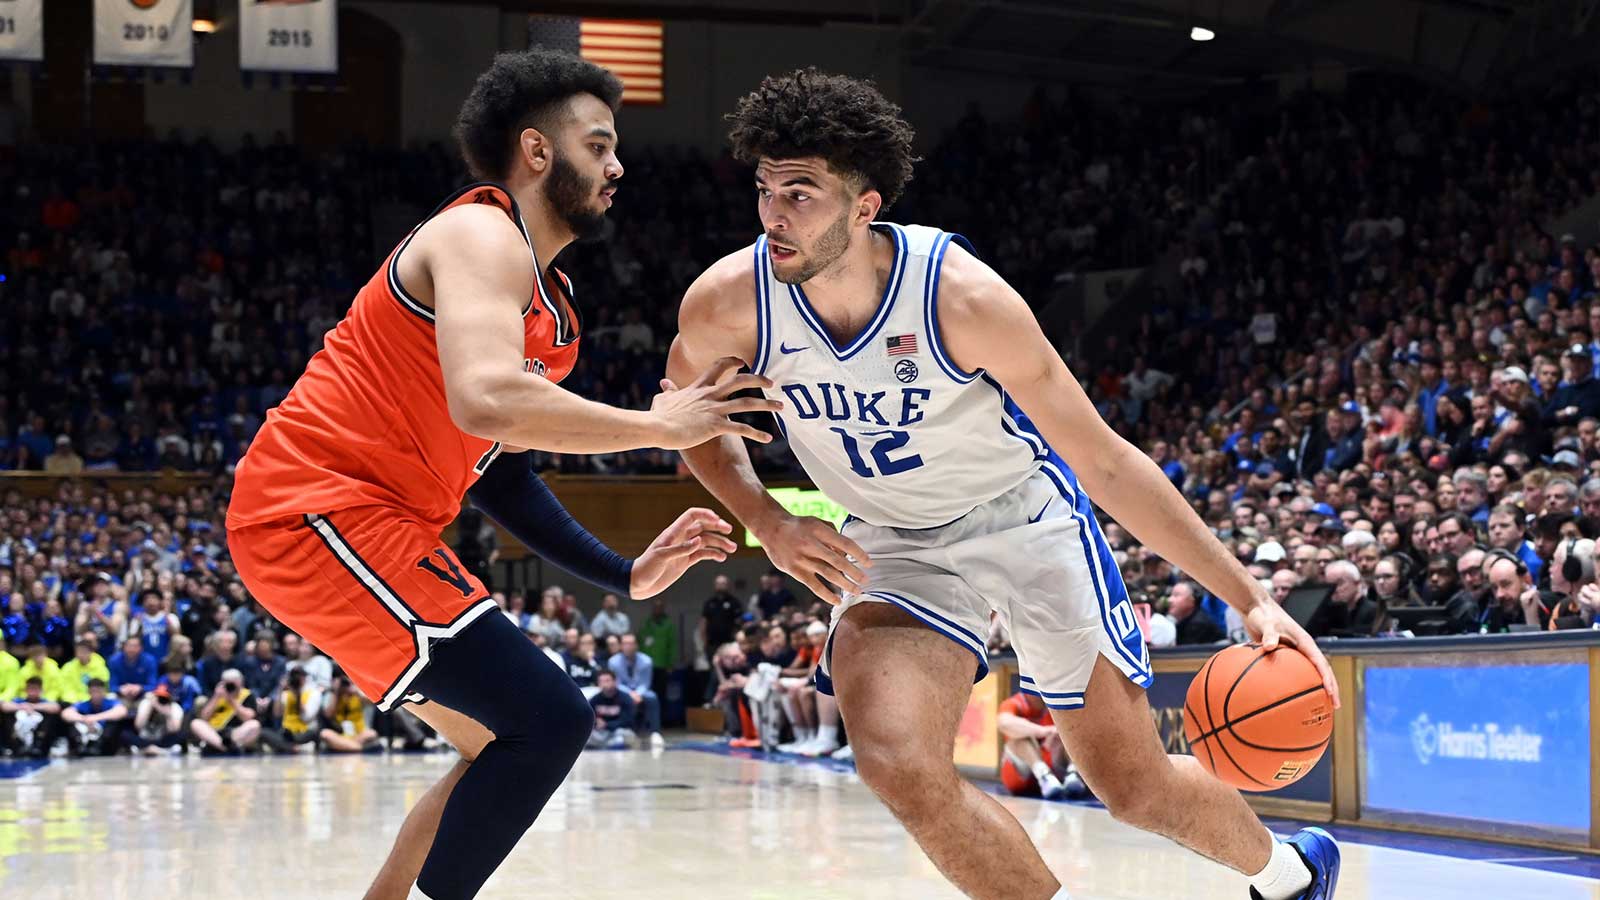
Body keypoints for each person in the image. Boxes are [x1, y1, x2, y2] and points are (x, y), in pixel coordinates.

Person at [668, 70, 1339, 900]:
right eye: (766, 189)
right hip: (888, 538)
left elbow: (1103, 461)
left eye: (800, 192)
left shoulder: (961, 298)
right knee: (895, 762)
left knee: (1131, 787)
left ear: (865, 205)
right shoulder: (728, 303)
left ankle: (1290, 872)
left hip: (1020, 519)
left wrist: (1249, 597)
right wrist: (766, 519)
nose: (773, 213)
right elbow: (683, 420)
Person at [221, 50, 776, 900]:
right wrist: (657, 427)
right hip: (315, 509)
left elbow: (501, 474)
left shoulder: (552, 312)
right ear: (537, 151)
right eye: (599, 145)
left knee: (502, 740)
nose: (618, 164)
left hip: (372, 523)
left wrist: (624, 572)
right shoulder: (479, 234)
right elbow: (486, 400)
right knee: (549, 717)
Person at [997, 689, 1086, 801]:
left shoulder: (1056, 702)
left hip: (1055, 766)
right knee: (1018, 740)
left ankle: (1073, 774)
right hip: (1022, 771)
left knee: (1069, 735)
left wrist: (1056, 733)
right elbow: (1004, 723)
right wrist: (1042, 731)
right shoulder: (1014, 703)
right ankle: (1044, 776)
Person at [607, 633, 663, 748]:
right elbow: (616, 683)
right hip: (622, 690)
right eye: (625, 643)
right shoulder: (613, 661)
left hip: (640, 690)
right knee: (617, 696)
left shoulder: (646, 661)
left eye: (631, 643)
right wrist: (630, 694)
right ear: (621, 646)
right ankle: (622, 731)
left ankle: (655, 732)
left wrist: (637, 693)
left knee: (652, 697)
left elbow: (645, 683)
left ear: (636, 646)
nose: (628, 646)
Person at [190, 668, 261, 755]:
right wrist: (216, 697)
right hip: (214, 732)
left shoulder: (247, 695)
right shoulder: (218, 694)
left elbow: (249, 717)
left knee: (254, 725)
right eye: (227, 683)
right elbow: (204, 717)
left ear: (241, 682)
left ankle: (220, 746)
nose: (230, 686)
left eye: (233, 683)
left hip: (234, 733)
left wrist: (231, 701)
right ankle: (224, 747)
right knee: (196, 723)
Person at [60, 678, 127, 756]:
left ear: (104, 691)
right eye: (93, 692)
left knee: (113, 725)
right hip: (87, 733)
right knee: (72, 725)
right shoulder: (84, 704)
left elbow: (122, 711)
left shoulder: (111, 703)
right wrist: (84, 719)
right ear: (88, 692)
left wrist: (96, 717)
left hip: (105, 740)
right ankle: (79, 747)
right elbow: (66, 713)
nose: (96, 695)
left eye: (98, 692)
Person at [320, 676, 381, 753]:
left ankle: (345, 747)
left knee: (371, 734)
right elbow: (328, 714)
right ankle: (358, 748)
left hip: (359, 734)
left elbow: (371, 701)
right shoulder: (333, 696)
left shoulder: (357, 695)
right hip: (340, 735)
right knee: (325, 734)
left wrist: (355, 690)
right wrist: (336, 692)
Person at [586, 670, 637, 749]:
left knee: (625, 735)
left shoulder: (625, 698)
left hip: (619, 731)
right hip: (601, 733)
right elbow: (589, 718)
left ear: (615, 682)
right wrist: (596, 722)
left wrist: (607, 724)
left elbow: (628, 720)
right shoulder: (594, 699)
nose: (604, 684)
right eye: (601, 681)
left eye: (607, 681)